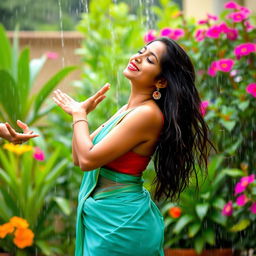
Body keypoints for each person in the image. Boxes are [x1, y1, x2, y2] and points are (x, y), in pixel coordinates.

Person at [53, 37, 213, 256]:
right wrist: (81, 113)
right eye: (141, 51)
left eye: (149, 59)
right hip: (107, 217)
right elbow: (79, 157)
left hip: (122, 224)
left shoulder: (148, 115)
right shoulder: (127, 110)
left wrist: (79, 114)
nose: (137, 57)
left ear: (162, 81)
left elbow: (88, 160)